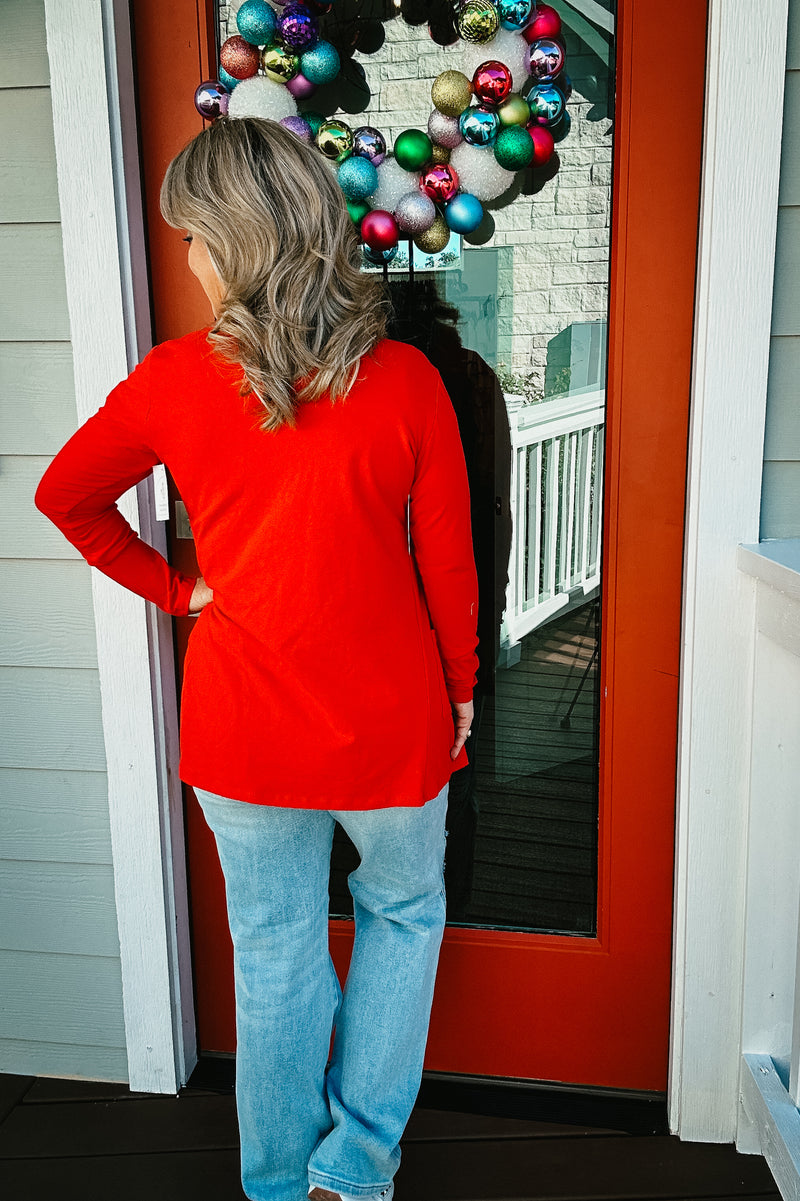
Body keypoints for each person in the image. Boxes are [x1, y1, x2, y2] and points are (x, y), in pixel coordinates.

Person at [34, 116, 479, 1201]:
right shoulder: (407, 378)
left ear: (232, 242)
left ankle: (281, 1183)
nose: (184, 256)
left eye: (191, 235)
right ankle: (354, 1164)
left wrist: (181, 591)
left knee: (278, 948)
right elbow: (450, 566)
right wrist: (462, 690)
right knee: (402, 915)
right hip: (390, 715)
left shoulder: (174, 380)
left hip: (242, 724)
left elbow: (66, 497)